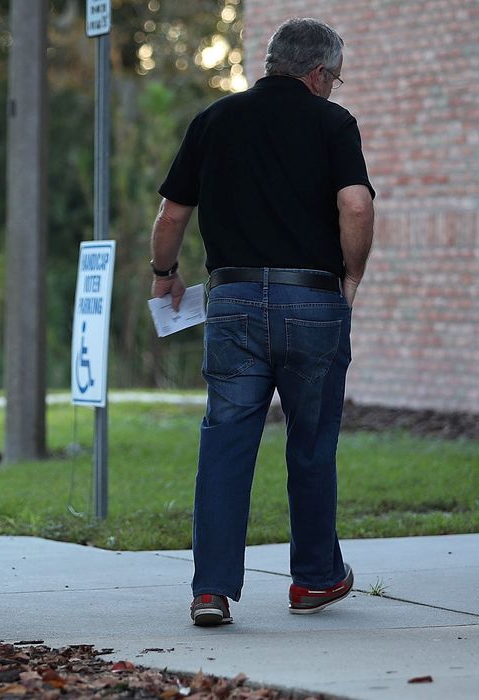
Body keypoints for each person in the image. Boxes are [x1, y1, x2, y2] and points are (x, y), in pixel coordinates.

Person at [148, 17, 375, 627]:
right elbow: (355, 202)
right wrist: (351, 277)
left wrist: (162, 273)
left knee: (226, 439)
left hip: (235, 302)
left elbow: (171, 216)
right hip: (313, 303)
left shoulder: (214, 120)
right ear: (318, 73)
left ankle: (211, 591)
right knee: (311, 442)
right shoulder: (333, 123)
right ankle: (315, 580)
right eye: (336, 77)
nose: (335, 87)